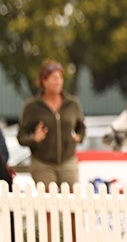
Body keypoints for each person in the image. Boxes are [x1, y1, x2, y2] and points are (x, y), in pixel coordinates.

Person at [17, 59, 86, 187]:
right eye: (54, 78)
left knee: (71, 201)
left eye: (60, 77)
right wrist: (34, 139)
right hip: (42, 163)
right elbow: (21, 137)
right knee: (49, 201)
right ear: (44, 81)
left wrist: (79, 137)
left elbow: (81, 127)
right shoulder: (32, 106)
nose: (58, 81)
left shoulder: (72, 104)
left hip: (68, 160)